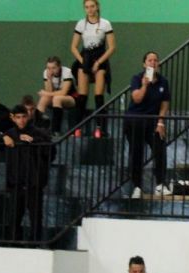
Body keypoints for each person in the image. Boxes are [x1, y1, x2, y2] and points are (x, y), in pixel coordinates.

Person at [124, 51, 172, 198]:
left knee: (160, 150)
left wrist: (161, 122)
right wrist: (144, 85)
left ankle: (160, 184)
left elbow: (165, 104)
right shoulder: (137, 78)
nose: (153, 63)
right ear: (144, 64)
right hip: (135, 120)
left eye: (155, 60)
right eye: (150, 60)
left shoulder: (163, 82)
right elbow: (136, 99)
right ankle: (137, 186)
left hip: (153, 121)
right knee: (136, 153)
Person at [3, 105, 53, 242]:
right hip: (16, 182)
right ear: (12, 118)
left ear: (28, 116)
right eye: (18, 117)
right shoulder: (9, 133)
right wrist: (3, 137)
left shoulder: (39, 133)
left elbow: (50, 151)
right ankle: (14, 243)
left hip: (34, 182)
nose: (21, 120)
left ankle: (35, 243)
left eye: (24, 116)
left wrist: (33, 141)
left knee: (36, 216)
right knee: (14, 217)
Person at [70, 0, 115, 134]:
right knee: (82, 96)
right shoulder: (81, 24)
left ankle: (99, 127)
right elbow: (73, 47)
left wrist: (98, 62)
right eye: (87, 7)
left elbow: (112, 47)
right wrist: (82, 61)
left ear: (97, 7)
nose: (89, 9)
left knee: (98, 96)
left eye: (92, 6)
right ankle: (77, 128)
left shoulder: (105, 23)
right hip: (85, 58)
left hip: (99, 58)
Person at [36, 56, 77, 135]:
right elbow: (49, 91)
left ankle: (55, 130)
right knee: (44, 98)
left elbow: (64, 92)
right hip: (56, 97)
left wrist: (46, 93)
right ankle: (37, 127)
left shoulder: (67, 72)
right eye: (48, 68)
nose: (51, 70)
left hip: (72, 98)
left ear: (59, 66)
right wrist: (49, 79)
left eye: (53, 68)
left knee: (57, 98)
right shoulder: (46, 73)